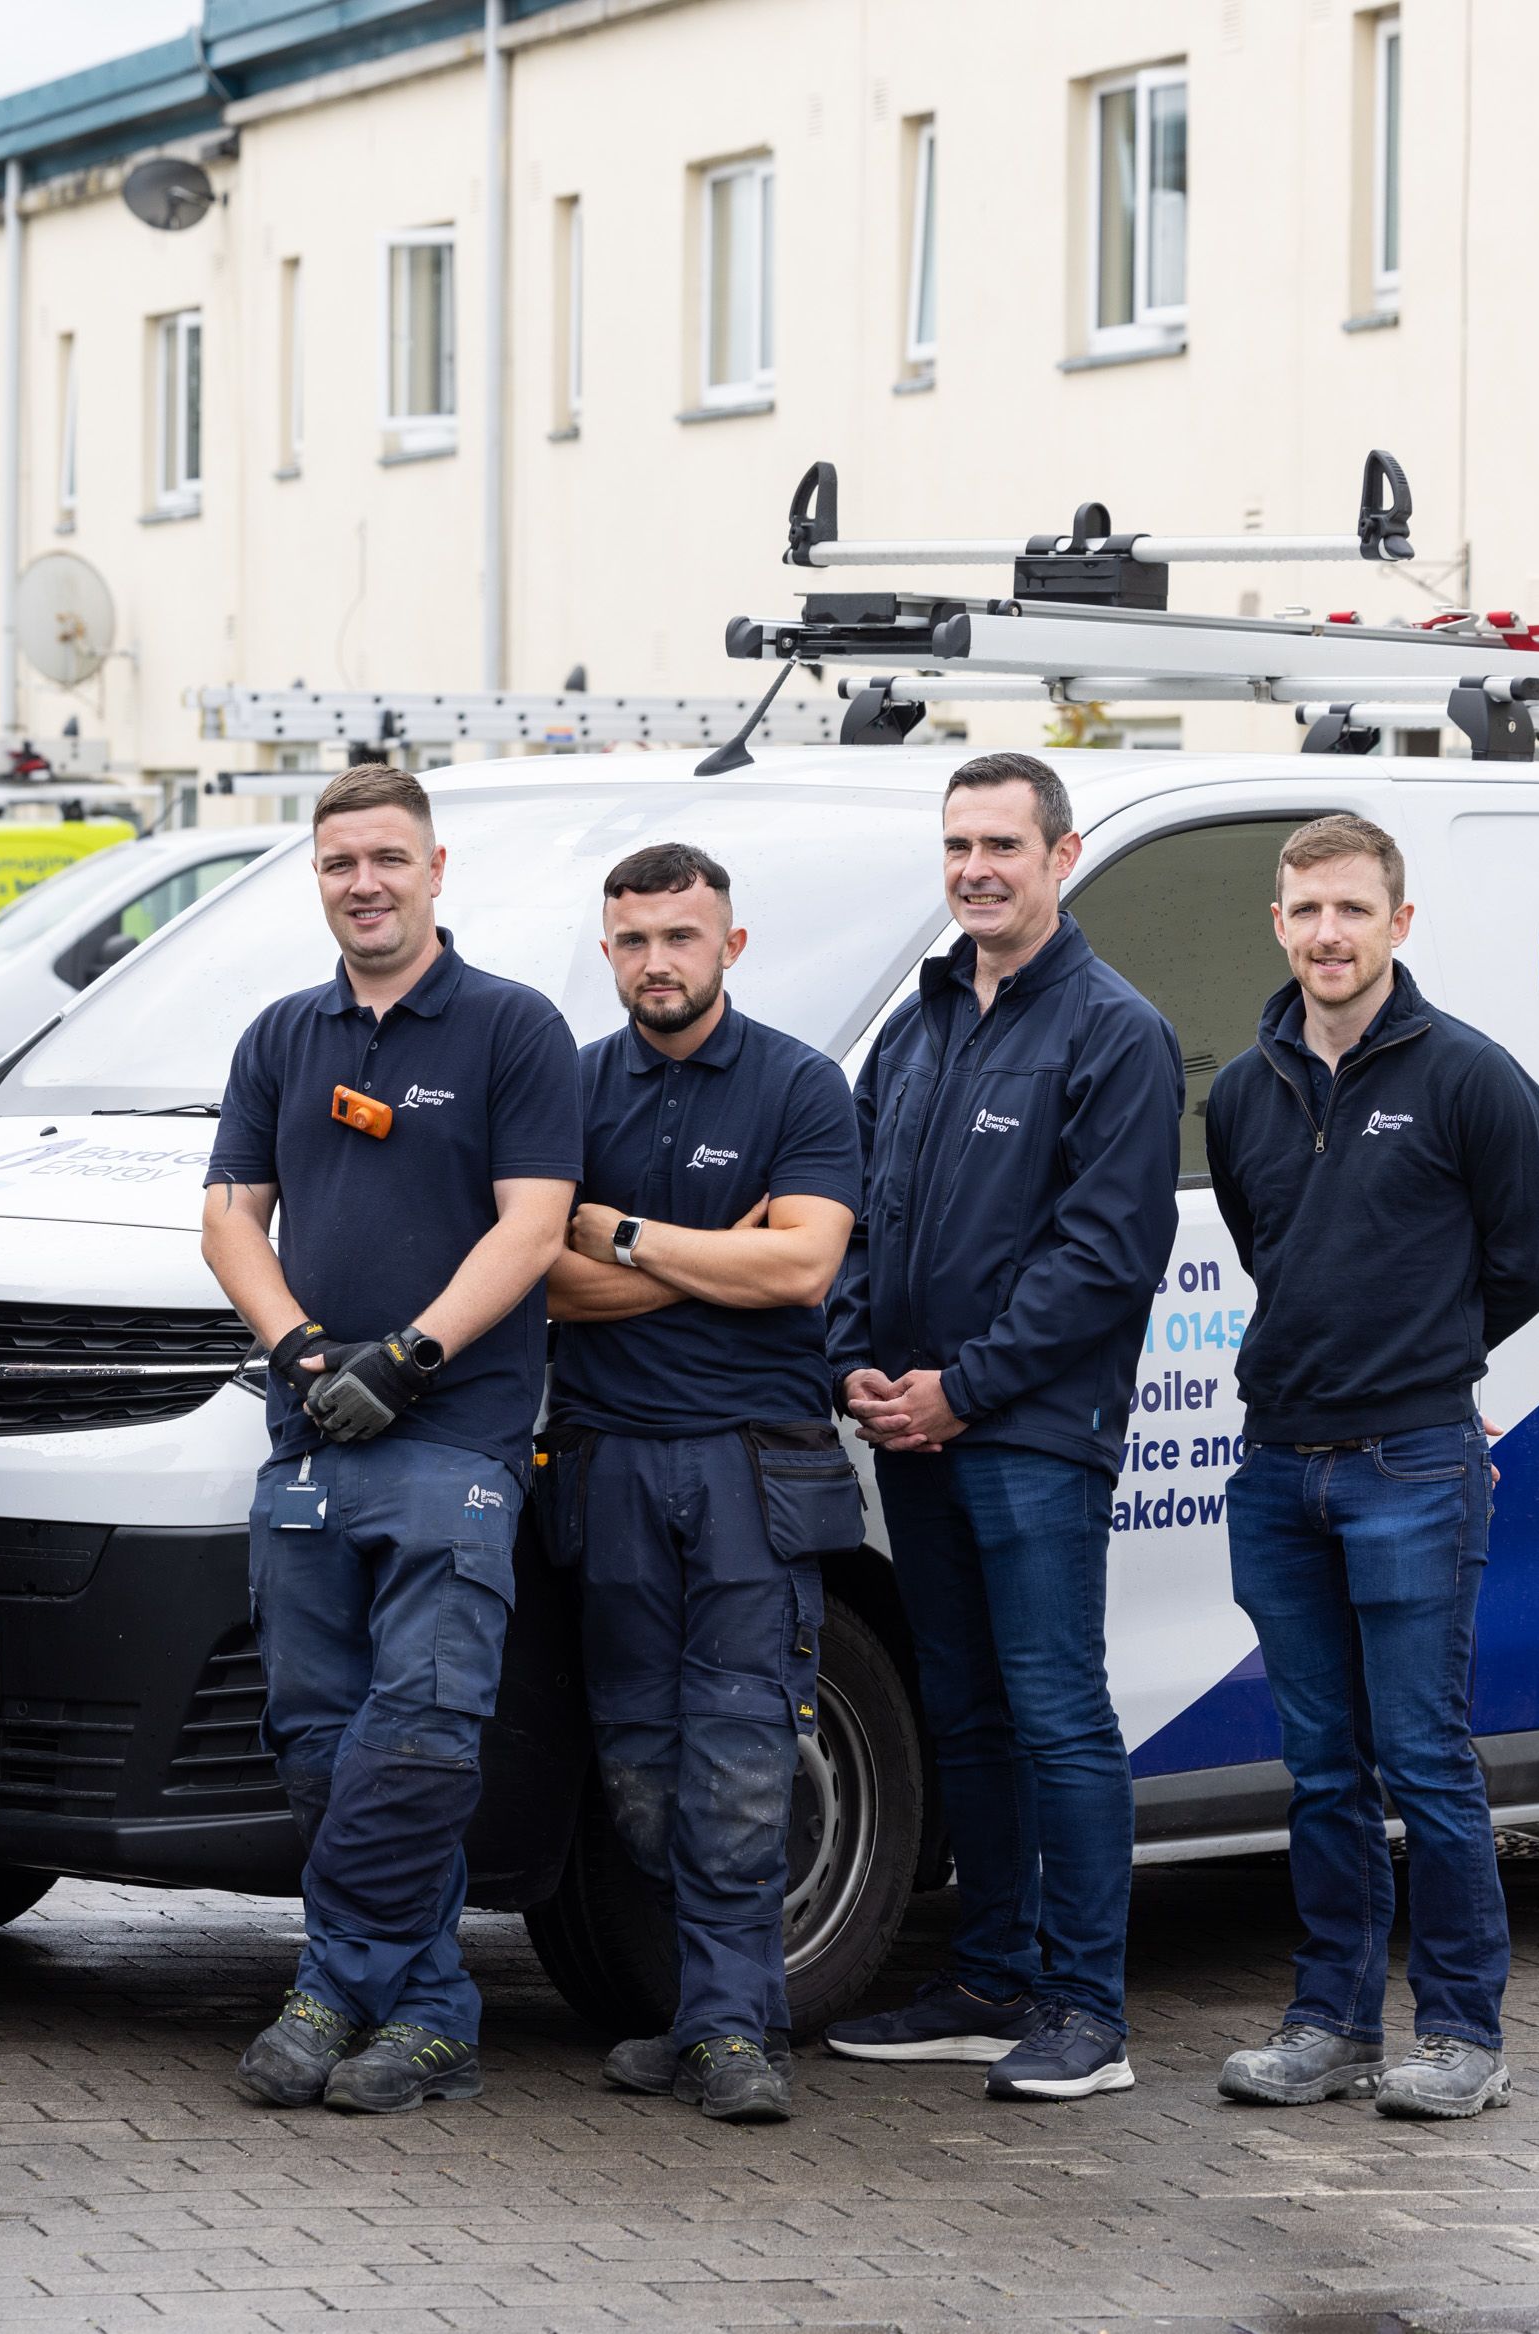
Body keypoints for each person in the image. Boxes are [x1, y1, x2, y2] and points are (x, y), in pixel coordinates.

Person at [199, 765, 578, 2117]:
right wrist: (302, 1349)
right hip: (308, 1446)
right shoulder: (280, 1037)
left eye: (386, 858)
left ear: (434, 869)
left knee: (416, 1736)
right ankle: (427, 2014)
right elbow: (230, 1217)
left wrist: (411, 1356)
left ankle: (328, 1989)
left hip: (454, 1443)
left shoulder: (511, 1028)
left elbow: (533, 1225)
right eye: (338, 862)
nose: (363, 883)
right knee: (318, 1742)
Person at [824, 752, 1183, 2104]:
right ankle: (989, 1980)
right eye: (957, 845)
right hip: (915, 1427)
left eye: (1002, 845)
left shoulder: (1112, 1030)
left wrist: (961, 1387)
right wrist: (854, 1362)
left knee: (1055, 1714)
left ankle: (1088, 2011)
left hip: (1029, 1433)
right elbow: (857, 1212)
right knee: (964, 1713)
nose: (975, 869)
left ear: (1061, 857)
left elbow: (1103, 1255)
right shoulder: (916, 1030)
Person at [1205, 815, 1539, 2122]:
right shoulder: (1241, 1090)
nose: (1328, 933)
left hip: (1412, 1465)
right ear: (1277, 923)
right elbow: (1267, 1248)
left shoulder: (1470, 1077)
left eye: (1352, 909)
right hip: (1278, 1468)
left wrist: (1421, 1368)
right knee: (1320, 1769)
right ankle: (1333, 2024)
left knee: (1423, 1757)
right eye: (1306, 909)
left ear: (1397, 923)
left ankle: (1463, 2034)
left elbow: (1531, 1258)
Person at [543, 842, 859, 2127]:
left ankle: (733, 2030)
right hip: (607, 1462)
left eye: (680, 937)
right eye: (632, 940)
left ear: (729, 945)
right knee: (636, 1759)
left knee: (739, 1750)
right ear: (606, 952)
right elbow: (542, 1280)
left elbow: (801, 1270)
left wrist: (622, 1235)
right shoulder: (566, 1088)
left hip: (749, 1465)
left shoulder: (800, 1085)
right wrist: (711, 1257)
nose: (655, 961)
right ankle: (700, 2016)